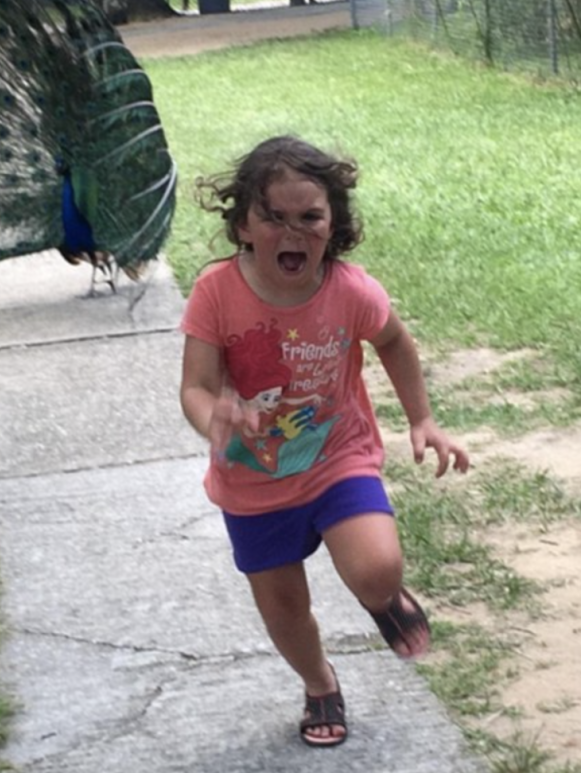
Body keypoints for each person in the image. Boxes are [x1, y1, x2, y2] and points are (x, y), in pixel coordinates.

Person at [179, 135, 470, 749]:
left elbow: (393, 340)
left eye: (309, 217)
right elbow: (196, 388)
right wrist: (216, 417)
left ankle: (382, 598)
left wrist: (422, 418)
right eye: (273, 217)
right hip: (251, 480)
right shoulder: (216, 293)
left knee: (376, 567)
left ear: (333, 223)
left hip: (339, 458)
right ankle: (319, 684)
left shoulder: (351, 290)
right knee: (285, 609)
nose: (294, 232)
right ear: (242, 227)